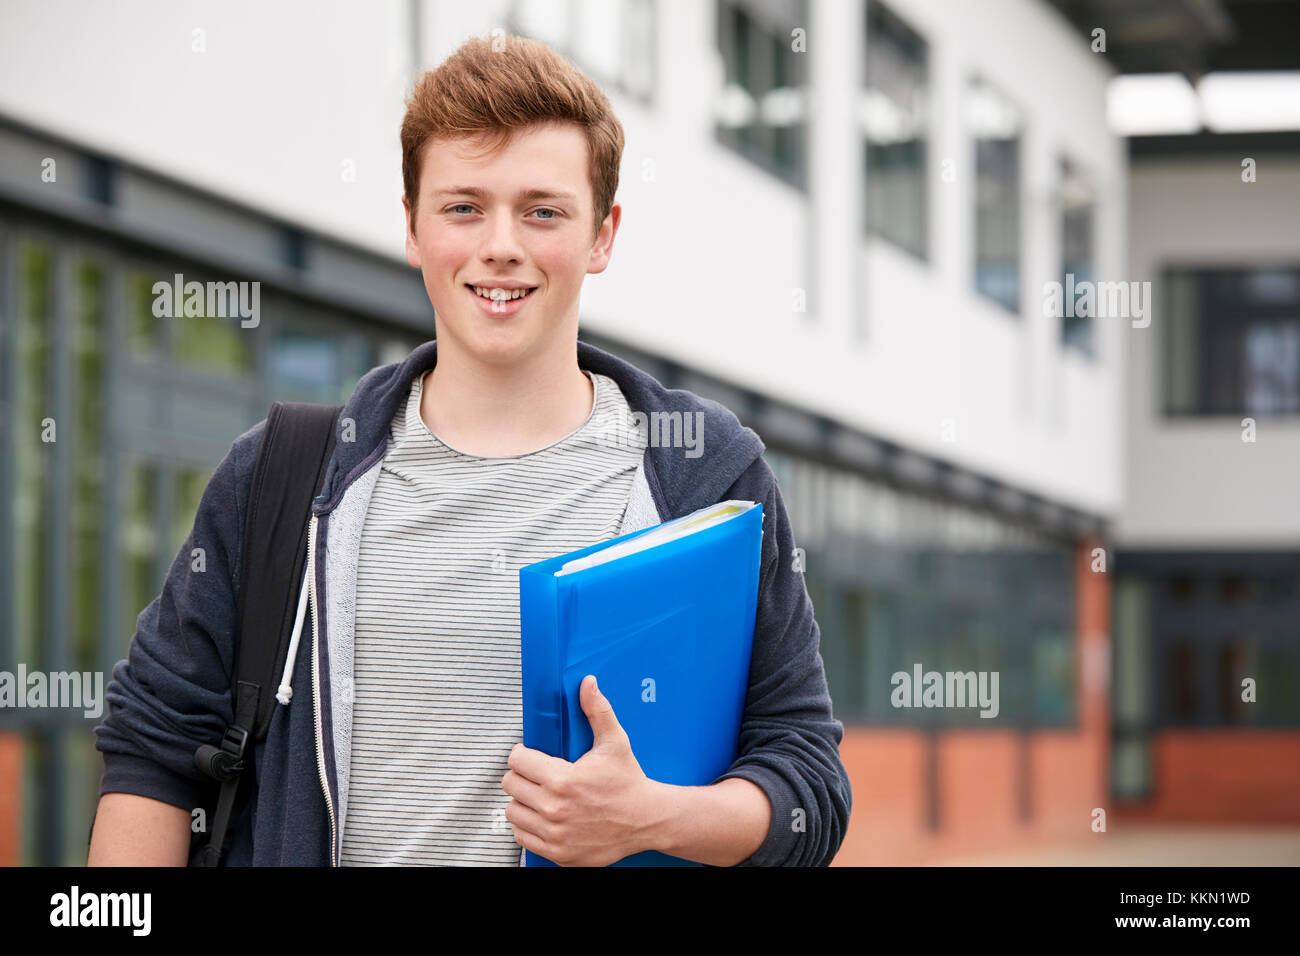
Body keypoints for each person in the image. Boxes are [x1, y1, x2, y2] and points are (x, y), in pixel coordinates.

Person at [88, 34, 851, 867]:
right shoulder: (282, 475)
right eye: (463, 207)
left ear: (602, 236)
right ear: (412, 227)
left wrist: (653, 820)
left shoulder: (705, 473)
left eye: (543, 210)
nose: (500, 245)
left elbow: (807, 779)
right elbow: (154, 748)